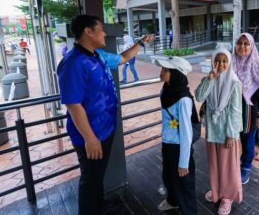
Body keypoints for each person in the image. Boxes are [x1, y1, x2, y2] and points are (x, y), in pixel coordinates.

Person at [57, 15, 152, 215]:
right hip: (91, 134)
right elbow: (73, 105)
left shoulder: (97, 55)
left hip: (106, 128)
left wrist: (141, 43)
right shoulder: (73, 63)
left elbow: (123, 58)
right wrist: (89, 138)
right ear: (88, 32)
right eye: (101, 29)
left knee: (98, 175)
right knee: (90, 178)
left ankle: (99, 206)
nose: (105, 33)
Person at [195, 48, 242, 215]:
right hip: (213, 132)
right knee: (214, 165)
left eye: (224, 61)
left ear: (229, 63)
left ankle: (228, 197)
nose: (220, 64)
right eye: (217, 60)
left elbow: (235, 111)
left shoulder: (234, 83)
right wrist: (210, 79)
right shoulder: (209, 79)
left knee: (228, 167)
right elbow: (199, 97)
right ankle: (217, 191)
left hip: (227, 134)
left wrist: (231, 134)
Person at [154, 56, 198, 214]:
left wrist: (183, 162)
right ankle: (173, 201)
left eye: (165, 70)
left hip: (180, 146)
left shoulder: (183, 99)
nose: (161, 72)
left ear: (176, 74)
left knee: (184, 182)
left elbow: (187, 132)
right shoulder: (165, 91)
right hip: (168, 142)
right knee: (168, 176)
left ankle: (189, 211)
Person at [232, 33, 259, 185]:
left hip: (249, 111)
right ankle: (231, 165)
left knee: (247, 141)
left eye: (246, 44)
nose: (242, 47)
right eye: (240, 43)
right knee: (231, 139)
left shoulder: (257, 67)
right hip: (231, 110)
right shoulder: (230, 63)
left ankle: (246, 166)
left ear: (252, 46)